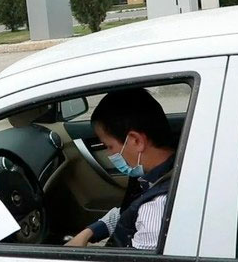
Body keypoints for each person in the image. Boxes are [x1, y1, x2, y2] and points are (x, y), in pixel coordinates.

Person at [65, 88, 176, 249]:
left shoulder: (155, 207)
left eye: (109, 146)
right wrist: (89, 232)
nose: (110, 154)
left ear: (136, 141)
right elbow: (129, 211)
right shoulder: (160, 171)